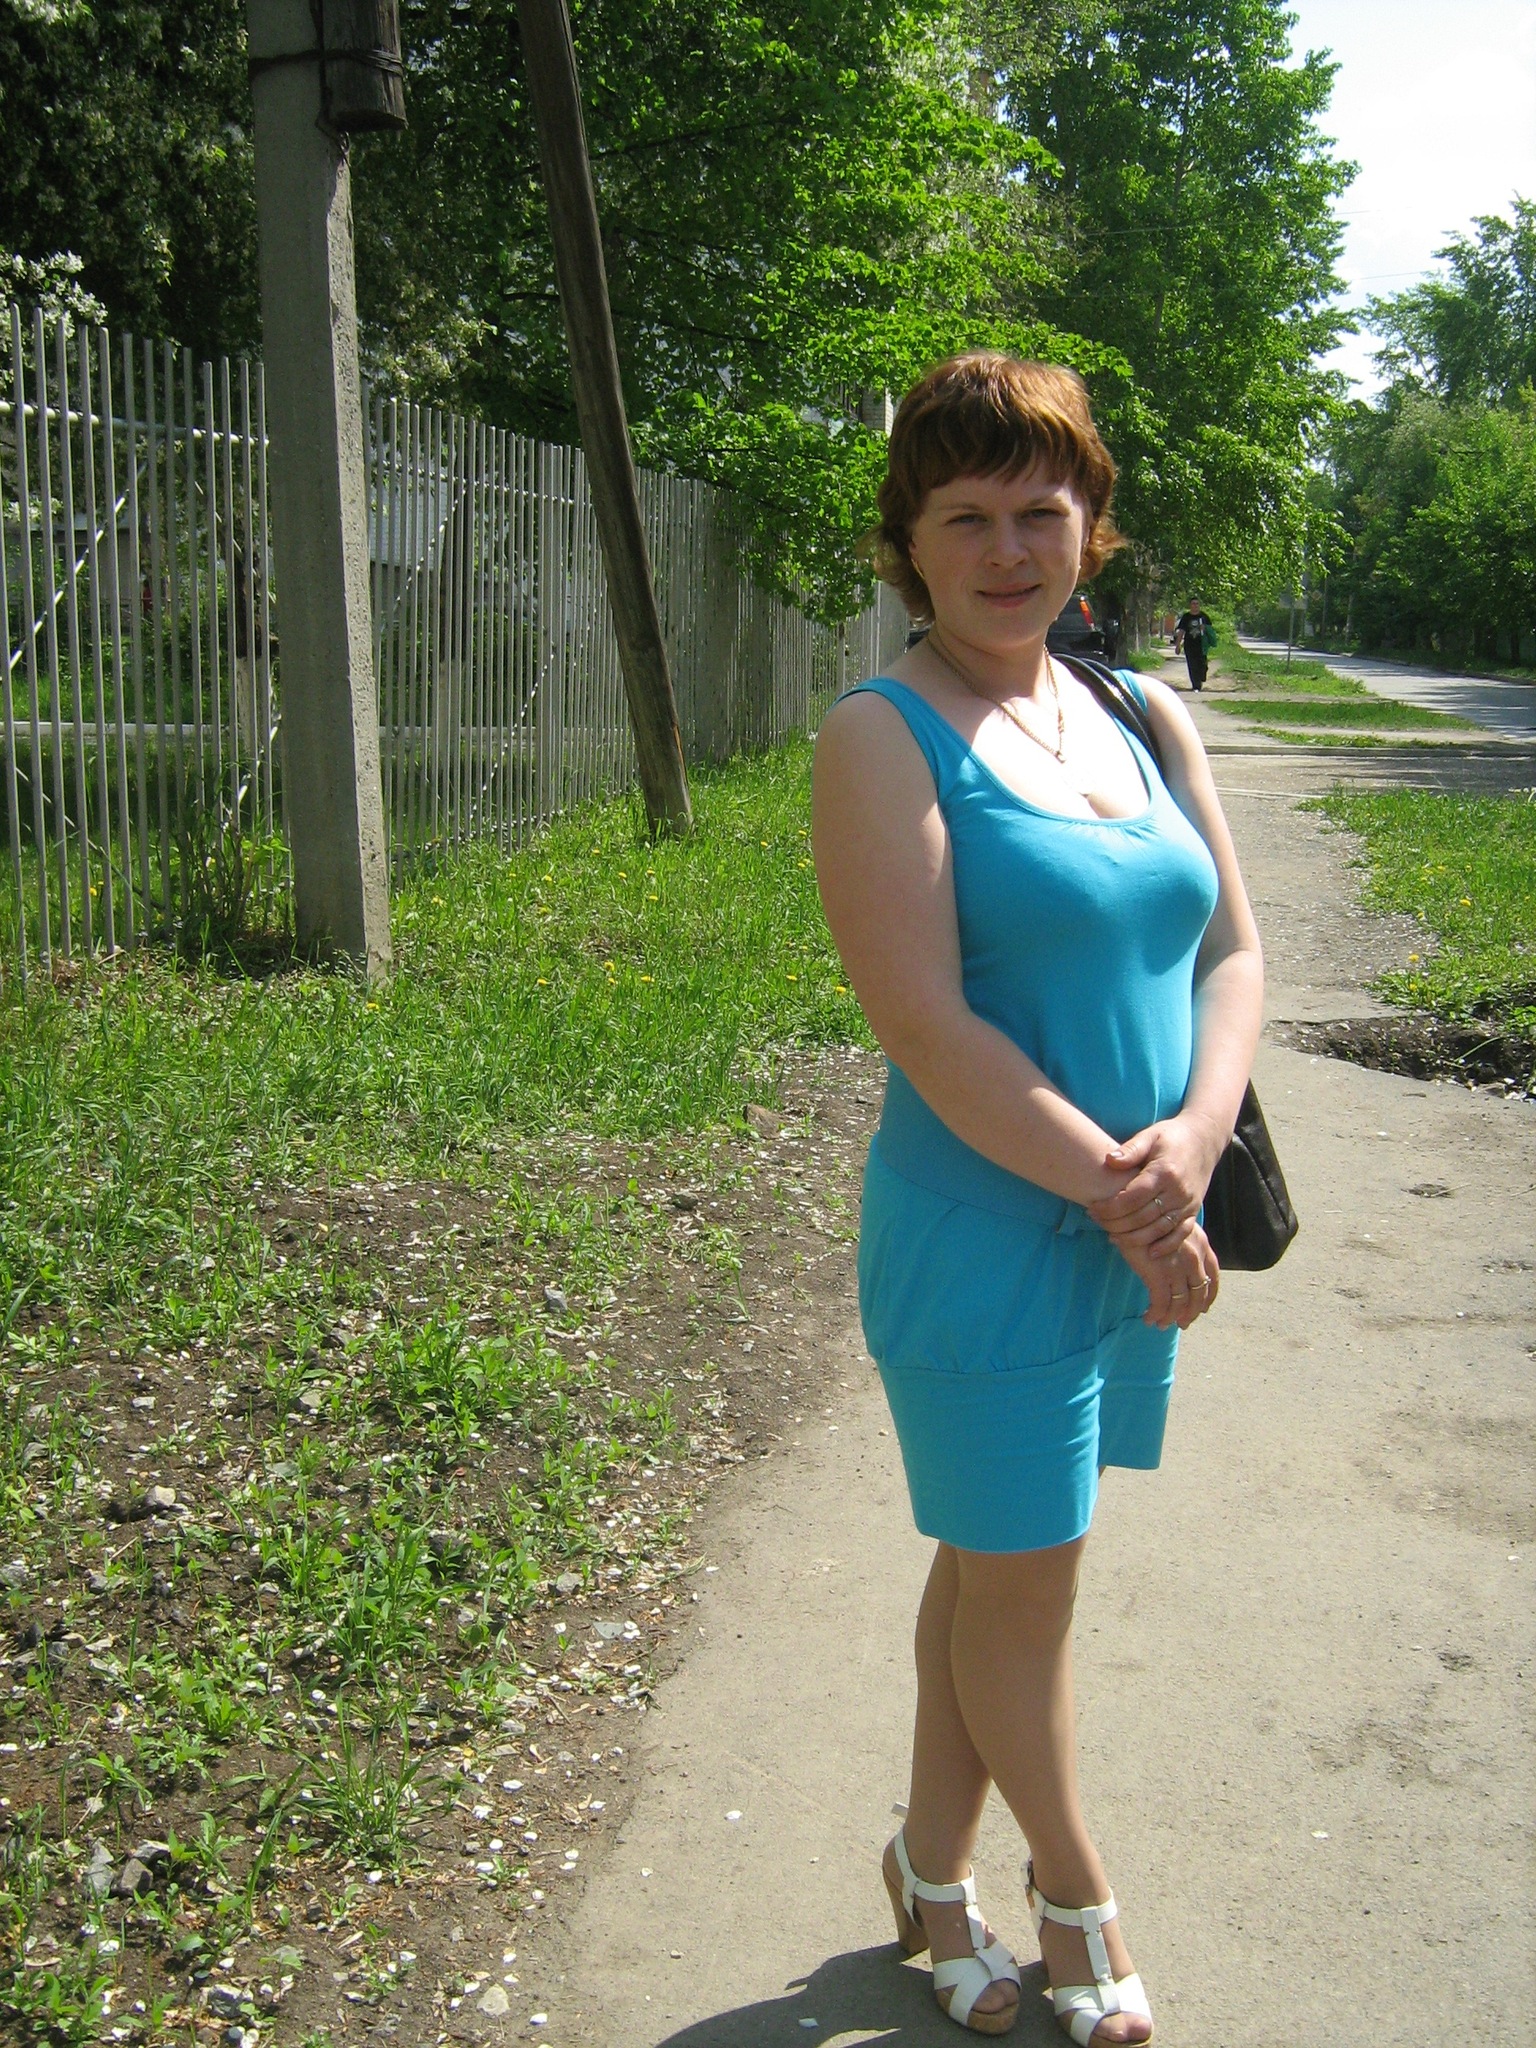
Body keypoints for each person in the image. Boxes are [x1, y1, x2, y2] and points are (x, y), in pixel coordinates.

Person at [812, 354, 1263, 2042]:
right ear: (908, 547)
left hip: (1137, 1220)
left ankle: (928, 1877)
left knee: (993, 1568)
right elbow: (928, 1026)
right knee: (1029, 1590)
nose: (1007, 550)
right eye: (964, 517)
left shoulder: (1142, 712)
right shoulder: (884, 736)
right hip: (992, 1239)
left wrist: (1194, 1140)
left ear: (1090, 529)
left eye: (1038, 512)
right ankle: (1080, 1900)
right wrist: (1136, 1197)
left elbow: (1229, 950)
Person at [1172, 601, 1215, 690]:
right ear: (1190, 605)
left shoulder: (1204, 616)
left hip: (1201, 645)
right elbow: (1181, 631)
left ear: (1199, 605)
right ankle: (1196, 685)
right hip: (1189, 645)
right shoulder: (1186, 617)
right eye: (1193, 604)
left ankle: (1201, 677)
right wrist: (1178, 645)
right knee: (1192, 665)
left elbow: (1210, 630)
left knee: (1203, 664)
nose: (1195, 605)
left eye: (1197, 604)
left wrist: (1205, 628)